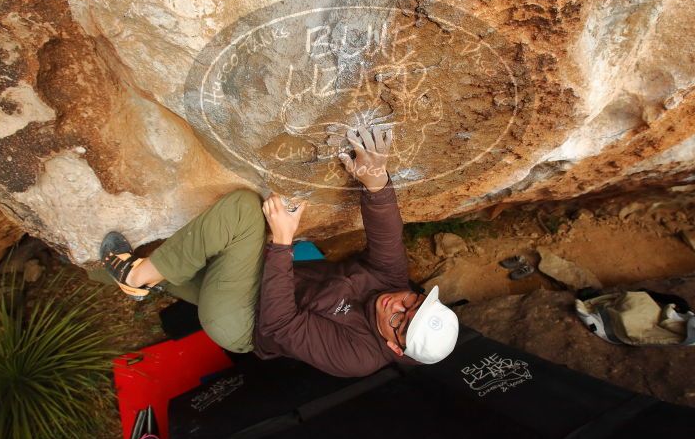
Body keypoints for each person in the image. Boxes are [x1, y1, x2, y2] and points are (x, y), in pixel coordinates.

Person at [100, 126, 459, 377]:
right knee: (164, 256)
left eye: (401, 321)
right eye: (414, 302)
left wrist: (282, 241)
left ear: (396, 348)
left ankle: (136, 276)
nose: (396, 304)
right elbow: (387, 237)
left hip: (245, 320)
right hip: (266, 280)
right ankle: (129, 276)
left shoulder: (358, 356)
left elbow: (280, 323)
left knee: (242, 209)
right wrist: (376, 181)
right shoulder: (393, 286)